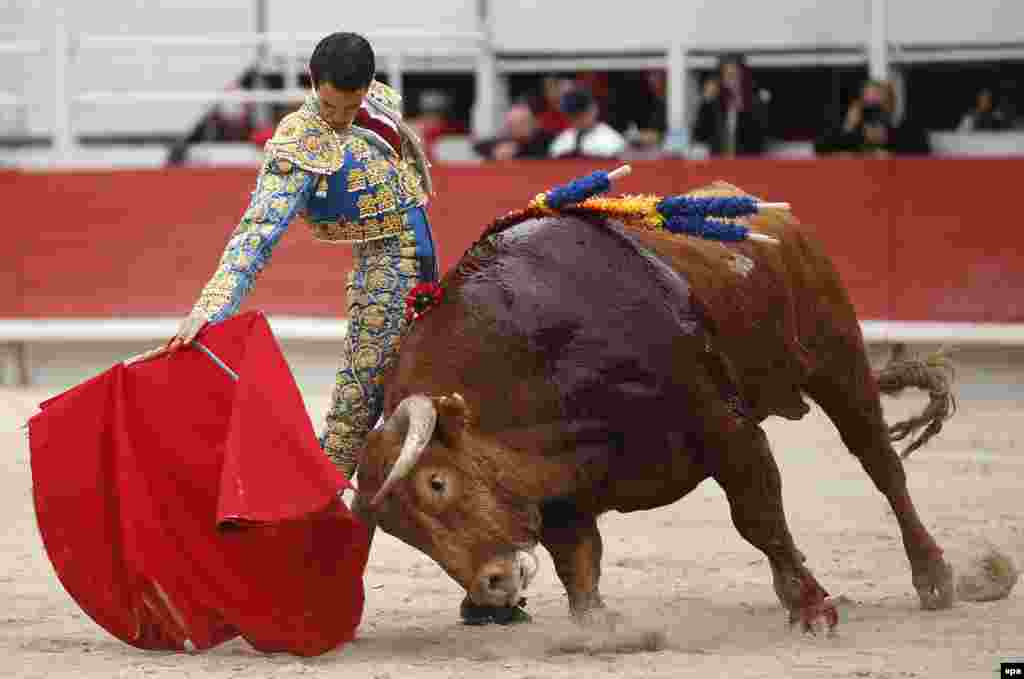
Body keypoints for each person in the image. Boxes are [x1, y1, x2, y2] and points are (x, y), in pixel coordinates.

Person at [134, 32, 526, 627]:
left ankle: (490, 571)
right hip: (381, 285)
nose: (341, 117)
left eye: (351, 104)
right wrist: (210, 309)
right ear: (312, 84)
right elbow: (254, 236)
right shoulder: (297, 142)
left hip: (428, 277)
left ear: (368, 86)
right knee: (348, 426)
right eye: (332, 106)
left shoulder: (383, 102)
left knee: (456, 417)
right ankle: (288, 573)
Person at [815, 79, 930, 156]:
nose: (873, 112)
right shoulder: (852, 132)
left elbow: (923, 153)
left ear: (890, 104)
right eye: (868, 105)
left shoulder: (907, 130)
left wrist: (889, 136)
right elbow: (820, 149)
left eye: (878, 105)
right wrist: (848, 126)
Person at [692, 54, 767, 157]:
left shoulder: (754, 101)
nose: (731, 77)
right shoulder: (714, 104)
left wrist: (741, 105)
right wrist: (706, 101)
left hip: (746, 164)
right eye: (727, 73)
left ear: (742, 75)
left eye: (734, 73)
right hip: (718, 165)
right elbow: (699, 135)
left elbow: (759, 138)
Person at [548, 87, 627, 159]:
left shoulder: (612, 139)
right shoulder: (561, 141)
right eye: (573, 115)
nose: (578, 119)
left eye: (582, 113)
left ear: (593, 109)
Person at [472, 102, 554, 160]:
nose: (516, 128)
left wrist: (516, 152)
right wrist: (495, 152)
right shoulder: (505, 140)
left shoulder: (546, 140)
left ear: (533, 123)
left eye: (522, 122)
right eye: (512, 124)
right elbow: (480, 146)